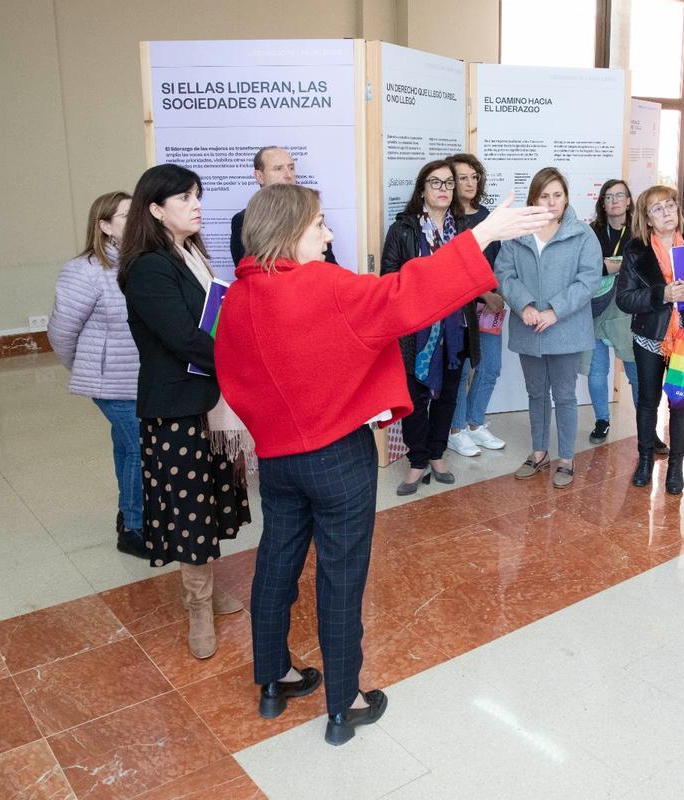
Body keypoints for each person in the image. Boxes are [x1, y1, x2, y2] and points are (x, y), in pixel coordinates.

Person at [214, 183, 551, 745]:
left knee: (275, 564)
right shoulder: (323, 285)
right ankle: (343, 704)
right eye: (320, 224)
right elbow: (406, 293)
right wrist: (484, 233)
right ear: (290, 231)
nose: (328, 234)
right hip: (335, 457)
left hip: (276, 460)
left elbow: (234, 374)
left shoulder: (239, 298)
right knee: (341, 579)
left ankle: (274, 679)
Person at [118, 164, 249, 660]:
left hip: (207, 399)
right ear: (155, 209)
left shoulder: (189, 253)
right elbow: (183, 338)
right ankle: (197, 606)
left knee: (211, 501)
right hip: (175, 407)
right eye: (184, 198)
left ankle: (208, 588)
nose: (197, 205)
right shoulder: (151, 265)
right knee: (190, 510)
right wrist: (245, 358)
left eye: (198, 195)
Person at [47, 191, 147, 559]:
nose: (135, 220)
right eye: (124, 216)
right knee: (140, 448)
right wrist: (85, 367)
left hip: (138, 376)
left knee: (126, 447)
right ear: (104, 226)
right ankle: (135, 528)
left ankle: (128, 514)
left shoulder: (139, 261)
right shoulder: (85, 269)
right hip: (110, 379)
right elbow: (60, 330)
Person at [616, 185, 684, 495]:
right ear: (647, 218)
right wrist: (660, 294)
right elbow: (624, 299)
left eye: (670, 205)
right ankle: (644, 462)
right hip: (650, 338)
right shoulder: (636, 251)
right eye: (657, 208)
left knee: (680, 402)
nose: (666, 212)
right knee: (648, 402)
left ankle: (676, 466)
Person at [495, 167, 602, 489]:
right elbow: (504, 274)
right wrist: (524, 305)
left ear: (566, 198)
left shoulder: (582, 235)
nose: (551, 201)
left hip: (565, 329)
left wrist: (555, 311)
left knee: (565, 395)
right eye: (544, 195)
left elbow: (589, 280)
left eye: (557, 195)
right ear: (533, 199)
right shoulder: (517, 234)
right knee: (537, 393)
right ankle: (539, 452)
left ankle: (566, 458)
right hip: (529, 328)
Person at [381, 160, 481, 495]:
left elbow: (473, 277)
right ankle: (417, 460)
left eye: (449, 183)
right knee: (414, 398)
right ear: (422, 188)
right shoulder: (403, 229)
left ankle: (437, 454)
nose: (443, 189)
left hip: (456, 329)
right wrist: (426, 285)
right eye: (435, 182)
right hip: (415, 331)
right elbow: (388, 279)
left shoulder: (464, 231)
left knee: (447, 396)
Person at [585, 179, 660, 451]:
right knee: (597, 372)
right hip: (594, 309)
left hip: (629, 312)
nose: (614, 200)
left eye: (620, 195)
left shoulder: (641, 232)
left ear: (629, 201)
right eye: (608, 196)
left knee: (637, 371)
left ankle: (648, 430)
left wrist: (610, 265)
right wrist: (619, 266)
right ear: (602, 202)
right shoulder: (591, 232)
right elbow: (589, 269)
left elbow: (647, 268)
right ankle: (601, 421)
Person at [446, 153, 507, 457]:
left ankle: (475, 423)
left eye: (474, 177)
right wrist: (485, 295)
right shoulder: (449, 219)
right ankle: (455, 430)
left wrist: (499, 293)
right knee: (463, 368)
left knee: (491, 367)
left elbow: (498, 259)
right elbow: (455, 266)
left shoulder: (487, 214)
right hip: (462, 307)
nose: (470, 183)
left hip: (492, 306)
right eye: (462, 178)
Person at [230, 146, 336, 267]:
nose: (288, 175)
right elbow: (248, 270)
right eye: (278, 169)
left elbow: (330, 264)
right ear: (259, 176)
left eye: (291, 168)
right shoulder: (244, 220)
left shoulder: (311, 215)